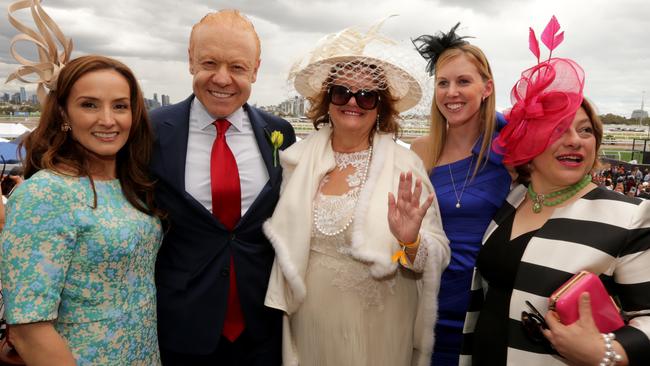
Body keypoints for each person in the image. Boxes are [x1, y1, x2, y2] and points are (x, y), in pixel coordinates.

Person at [462, 16, 650, 365]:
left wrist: (605, 353)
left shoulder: (630, 216)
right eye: (559, 129)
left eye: (585, 130)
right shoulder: (512, 198)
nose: (575, 141)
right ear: (529, 144)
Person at [263, 21, 450, 366]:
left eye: (367, 95)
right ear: (327, 101)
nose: (353, 101)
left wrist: (408, 244)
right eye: (342, 92)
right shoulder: (298, 161)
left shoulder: (404, 166)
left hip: (380, 323)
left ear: (381, 108)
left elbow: (436, 252)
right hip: (313, 320)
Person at [150, 9, 295, 365]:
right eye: (209, 62)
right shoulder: (150, 132)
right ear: (190, 60)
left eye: (238, 67)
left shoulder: (279, 133)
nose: (222, 78)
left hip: (262, 327)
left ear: (256, 69)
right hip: (181, 328)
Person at [0, 53, 164, 365]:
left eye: (120, 106)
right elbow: (28, 329)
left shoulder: (131, 185)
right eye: (89, 104)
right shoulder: (45, 194)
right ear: (64, 113)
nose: (107, 119)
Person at [411, 23, 512, 365]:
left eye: (463, 81)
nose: (451, 92)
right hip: (426, 302)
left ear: (487, 88)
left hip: (487, 305)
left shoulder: (509, 149)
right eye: (443, 82)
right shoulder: (421, 151)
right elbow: (406, 235)